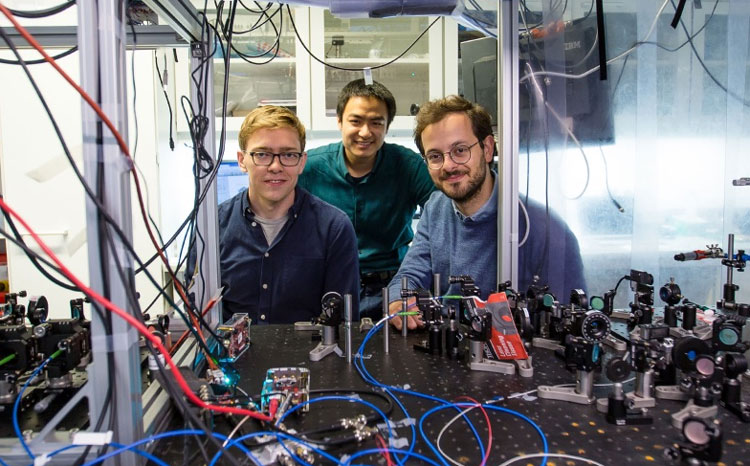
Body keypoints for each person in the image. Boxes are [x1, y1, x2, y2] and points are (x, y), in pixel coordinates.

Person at [387, 95, 585, 330]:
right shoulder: (436, 207)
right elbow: (410, 273)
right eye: (435, 156)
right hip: (449, 347)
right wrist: (398, 301)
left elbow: (569, 325)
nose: (448, 165)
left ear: (488, 148)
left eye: (460, 150)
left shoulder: (546, 231)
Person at [187, 106, 359, 324]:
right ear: (242, 161)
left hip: (309, 356)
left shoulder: (334, 228)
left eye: (288, 154)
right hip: (232, 356)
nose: (276, 166)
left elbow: (344, 323)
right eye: (262, 154)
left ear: (302, 162)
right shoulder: (211, 226)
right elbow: (196, 312)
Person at [298, 79, 435, 319]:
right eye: (356, 121)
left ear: (387, 126)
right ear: (339, 121)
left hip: (391, 290)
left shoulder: (409, 166)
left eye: (376, 123)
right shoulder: (310, 168)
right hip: (327, 288)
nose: (365, 132)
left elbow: (443, 215)